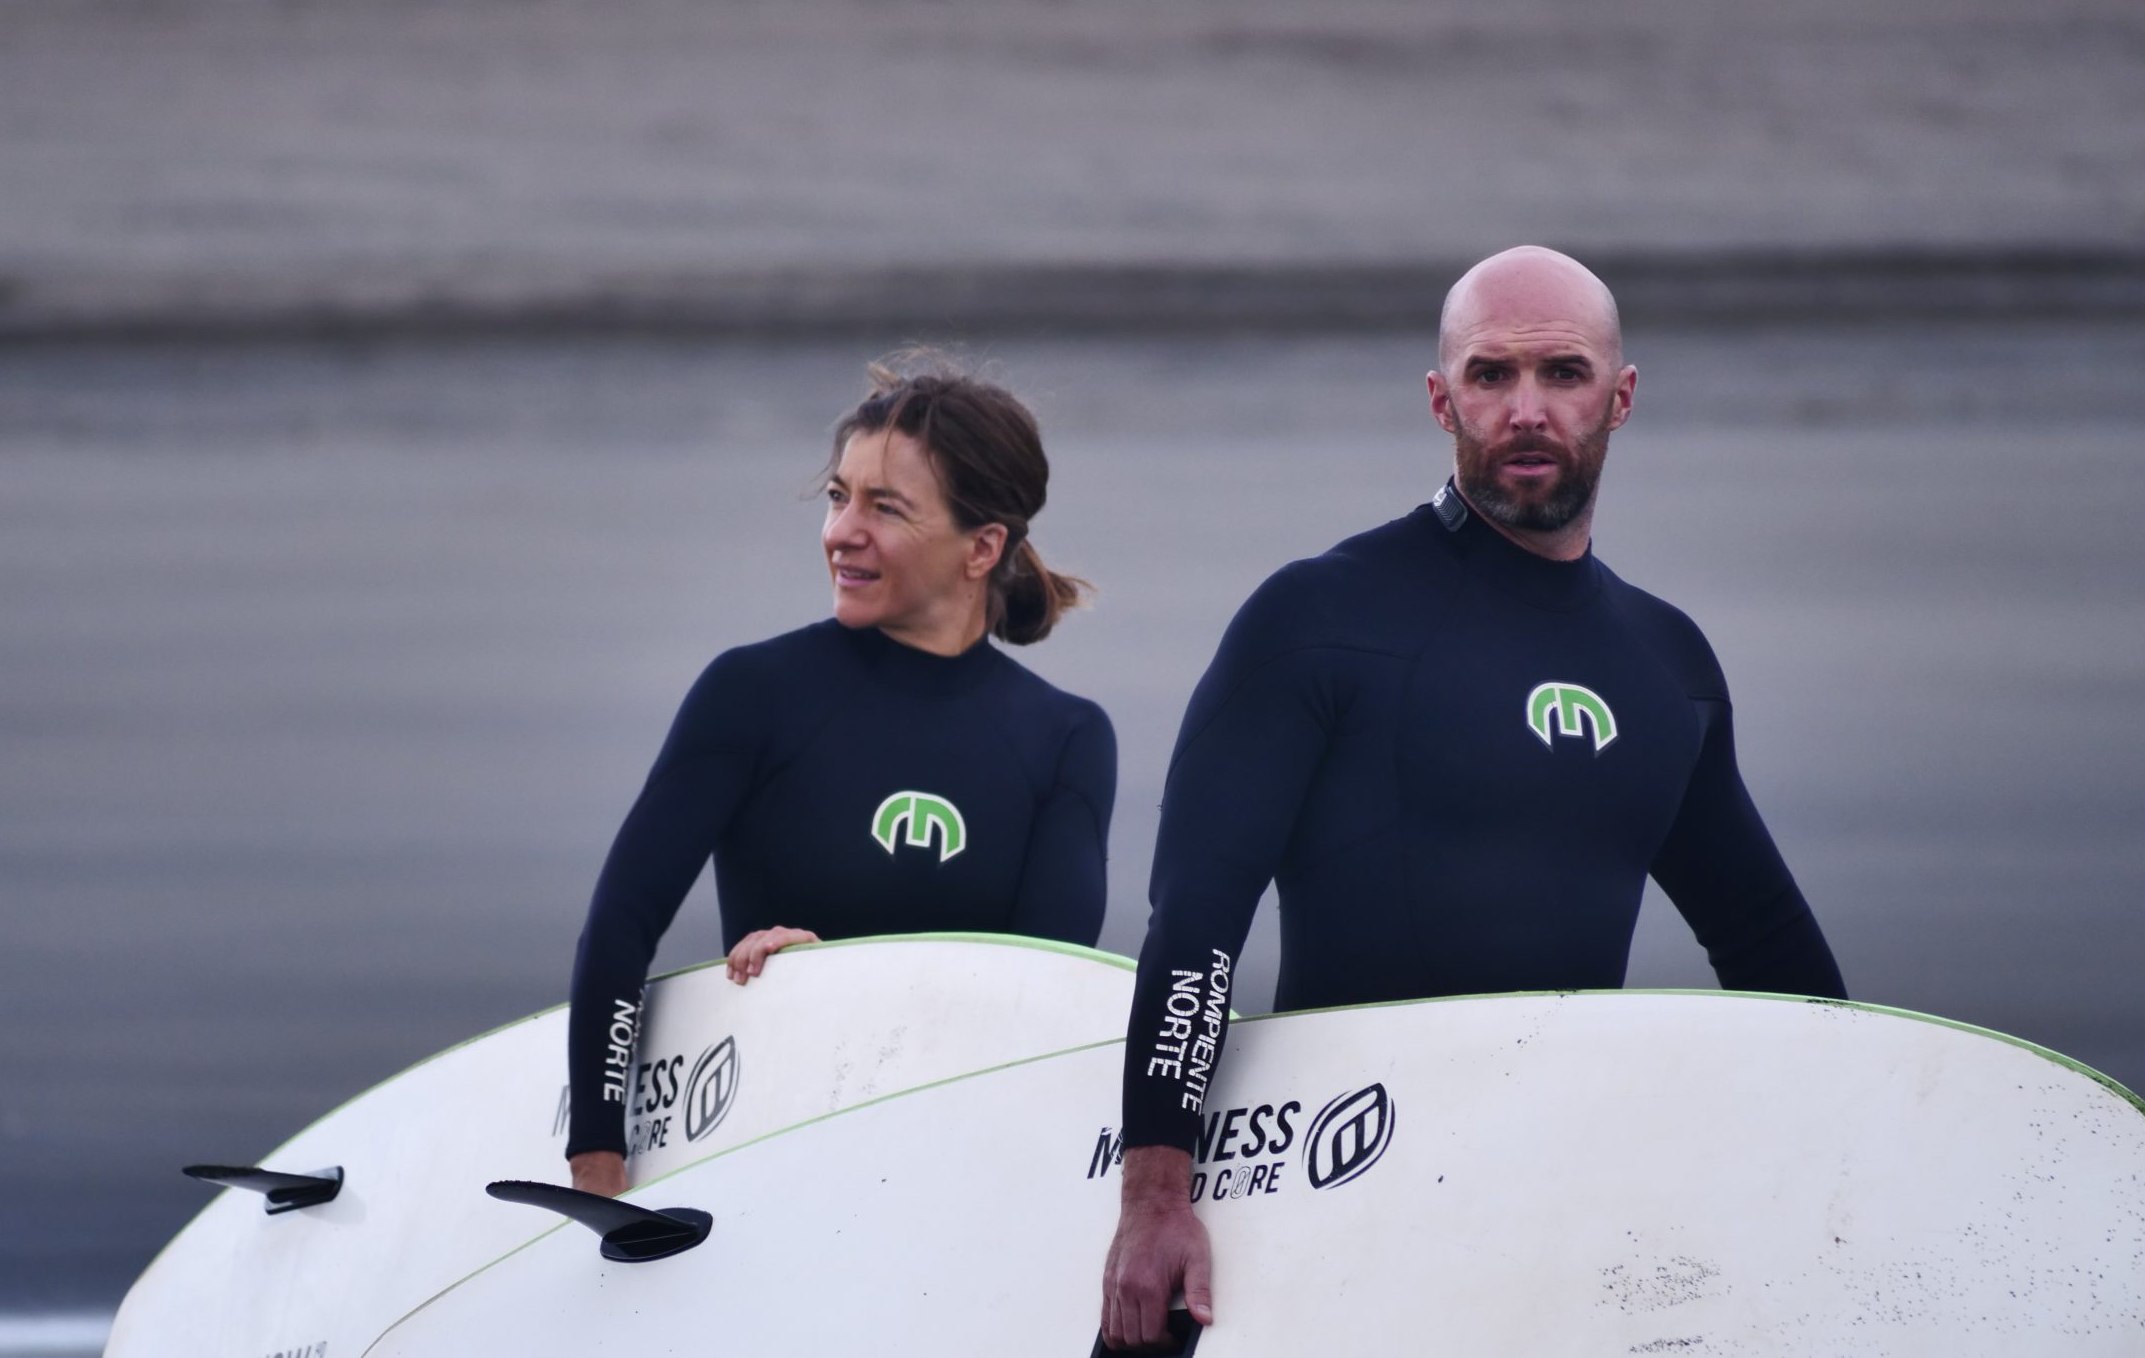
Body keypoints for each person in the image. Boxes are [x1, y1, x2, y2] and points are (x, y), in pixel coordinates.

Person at [1097, 247, 1847, 1350]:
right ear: (1440, 397)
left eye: (1563, 373)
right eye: (1491, 375)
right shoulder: (1319, 618)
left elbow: (1772, 953)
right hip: (1340, 1179)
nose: (1527, 408)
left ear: (1620, 396)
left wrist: (1853, 1161)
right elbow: (1197, 921)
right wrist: (1156, 1192)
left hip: (1553, 1212)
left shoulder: (1664, 665)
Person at [564, 360, 1118, 1198]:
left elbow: (1040, 998)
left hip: (959, 1166)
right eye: (837, 496)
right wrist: (599, 1162)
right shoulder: (753, 694)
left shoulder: (1065, 739)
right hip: (771, 1147)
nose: (840, 532)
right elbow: (620, 927)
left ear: (983, 548)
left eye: (884, 507)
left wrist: (843, 981)